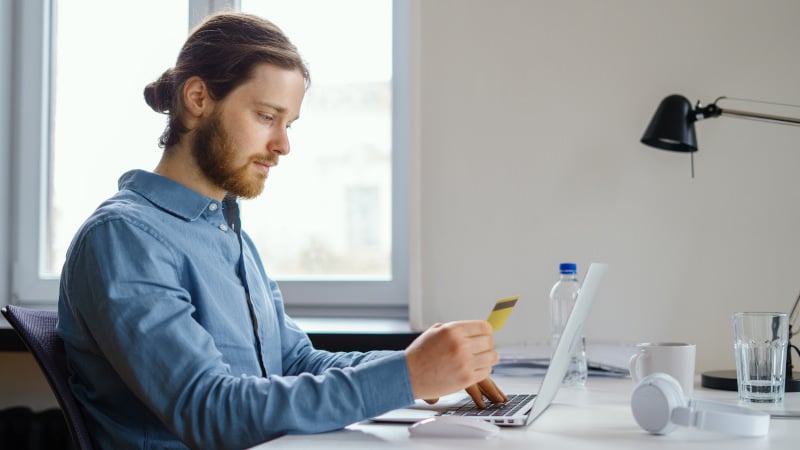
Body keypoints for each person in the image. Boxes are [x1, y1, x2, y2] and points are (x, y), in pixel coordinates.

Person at [56, 11, 507, 450]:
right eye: (266, 117)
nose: (283, 146)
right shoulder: (123, 238)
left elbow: (294, 362)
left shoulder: (226, 233)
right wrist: (407, 376)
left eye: (287, 124)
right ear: (198, 99)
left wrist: (421, 364)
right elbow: (210, 411)